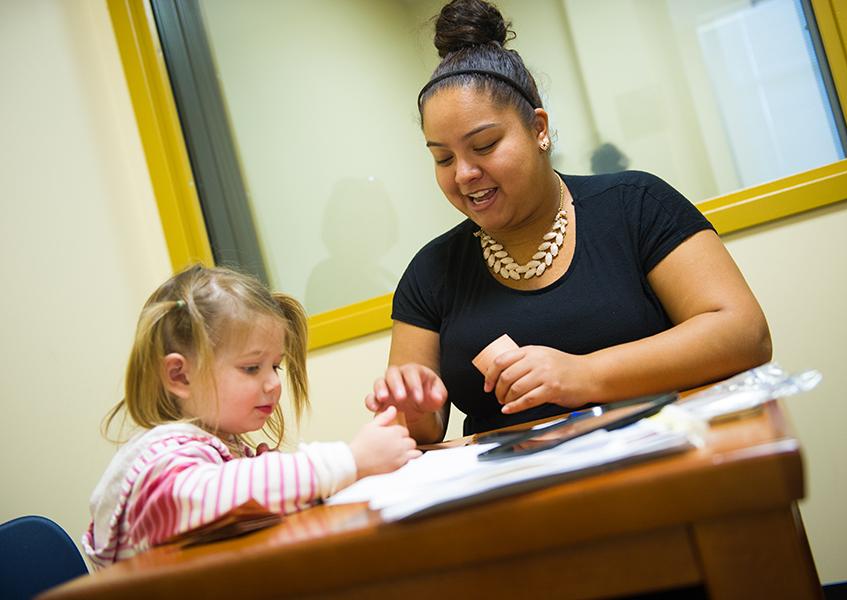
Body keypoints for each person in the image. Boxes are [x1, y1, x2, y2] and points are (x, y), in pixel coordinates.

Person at [365, 0, 771, 443]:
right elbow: (419, 432)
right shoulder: (432, 272)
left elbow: (744, 333)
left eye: (484, 146)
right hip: (511, 498)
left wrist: (585, 373)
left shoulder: (634, 205)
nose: (463, 174)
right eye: (443, 157)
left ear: (539, 129)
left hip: (664, 468)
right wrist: (409, 406)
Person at [84, 265, 419, 568]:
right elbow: (211, 495)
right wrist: (350, 460)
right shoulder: (161, 459)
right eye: (250, 368)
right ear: (180, 376)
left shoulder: (218, 445)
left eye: (275, 366)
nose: (274, 383)